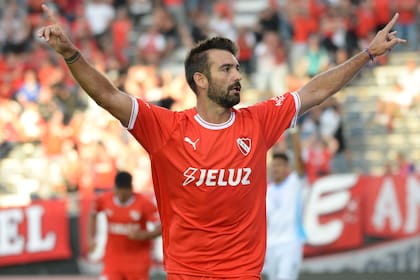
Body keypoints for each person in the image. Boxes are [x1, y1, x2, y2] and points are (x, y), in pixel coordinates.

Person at [38, 4, 405, 278]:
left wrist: (367, 54)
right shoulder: (165, 129)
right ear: (199, 80)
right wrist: (71, 54)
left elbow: (314, 91)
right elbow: (107, 94)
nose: (237, 76)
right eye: (226, 69)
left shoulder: (258, 121)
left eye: (237, 68)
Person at [88, 171, 161, 280]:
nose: (121, 197)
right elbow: (93, 214)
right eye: (119, 193)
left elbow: (160, 227)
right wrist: (91, 238)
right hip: (113, 259)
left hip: (137, 261)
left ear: (131, 189)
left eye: (125, 195)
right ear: (115, 188)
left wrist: (143, 235)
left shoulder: (144, 203)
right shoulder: (104, 199)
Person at [264, 128, 306, 280]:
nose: (276, 168)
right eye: (274, 165)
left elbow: (300, 159)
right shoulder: (267, 190)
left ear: (288, 168)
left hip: (290, 243)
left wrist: (294, 132)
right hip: (270, 245)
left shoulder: (295, 183)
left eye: (280, 165)